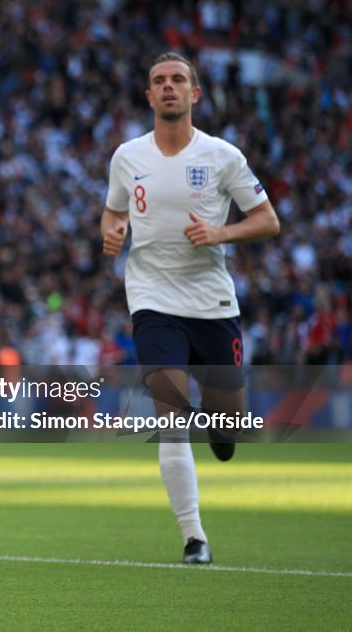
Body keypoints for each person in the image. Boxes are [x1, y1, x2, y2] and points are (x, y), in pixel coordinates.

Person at [101, 52, 280, 564]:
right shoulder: (127, 157)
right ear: (149, 95)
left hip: (211, 300)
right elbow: (113, 213)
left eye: (178, 79)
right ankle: (194, 538)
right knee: (171, 410)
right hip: (152, 297)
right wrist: (111, 235)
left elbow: (268, 220)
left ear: (195, 94)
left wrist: (221, 232)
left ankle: (222, 436)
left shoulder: (223, 156)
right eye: (158, 80)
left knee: (226, 427)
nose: (168, 87)